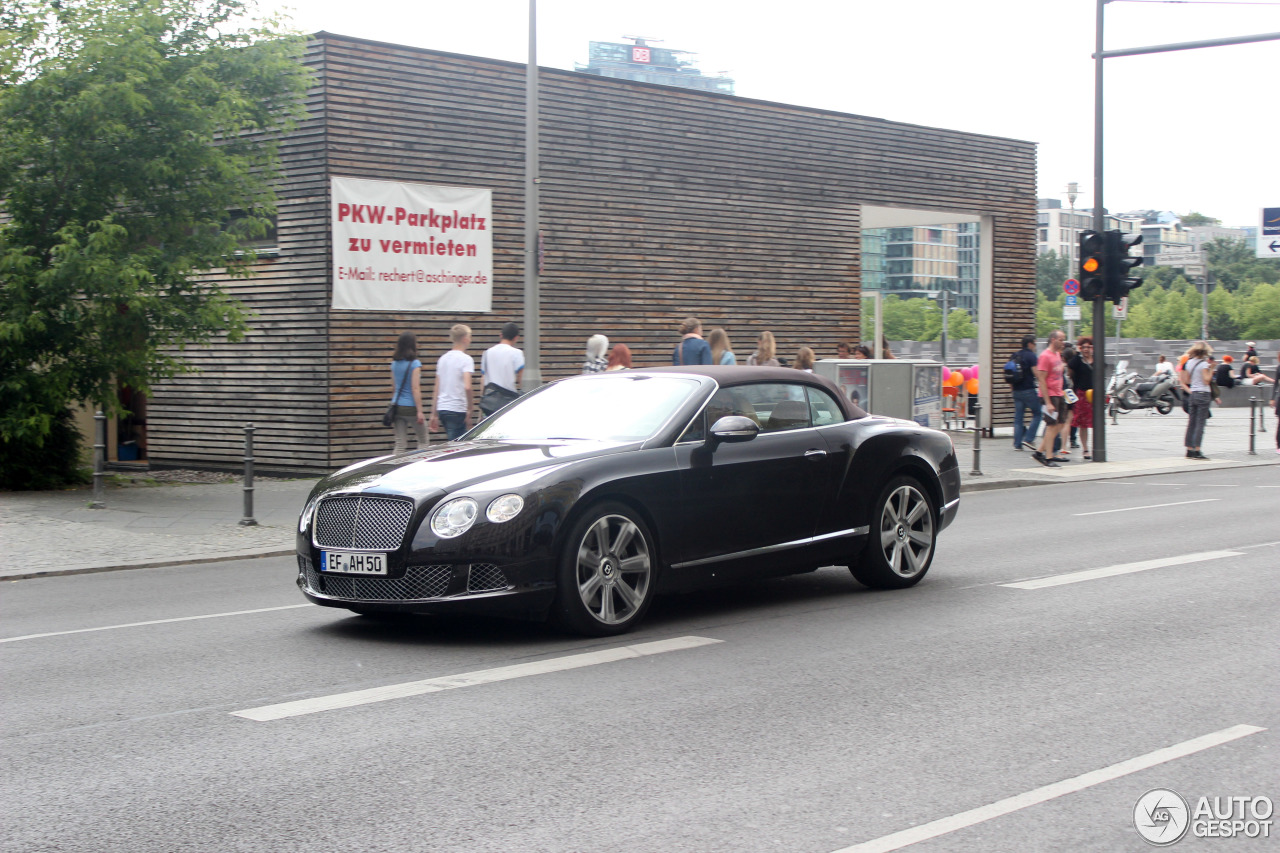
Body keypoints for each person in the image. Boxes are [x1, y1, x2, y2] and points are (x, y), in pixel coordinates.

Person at [428, 324, 475, 441]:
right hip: (457, 408)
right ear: (464, 339)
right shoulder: (466, 359)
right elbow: (468, 387)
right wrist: (470, 408)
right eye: (469, 336)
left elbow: (437, 388)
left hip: (443, 408)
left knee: (454, 442)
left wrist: (433, 414)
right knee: (458, 446)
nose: (470, 339)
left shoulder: (443, 359)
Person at [1032, 330, 1068, 468]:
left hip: (1059, 394)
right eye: (1061, 339)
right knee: (1051, 425)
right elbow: (1041, 380)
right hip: (1050, 395)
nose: (1063, 343)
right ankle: (1048, 457)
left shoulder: (1057, 355)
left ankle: (1039, 452)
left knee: (1060, 424)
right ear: (1053, 339)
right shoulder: (1045, 356)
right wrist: (1047, 402)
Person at [389, 331, 427, 454]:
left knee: (400, 443)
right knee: (423, 441)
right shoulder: (415, 364)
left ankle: (394, 468)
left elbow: (394, 387)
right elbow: (415, 388)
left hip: (396, 406)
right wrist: (420, 411)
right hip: (410, 407)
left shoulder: (394, 363)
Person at [1179, 341, 1213, 460]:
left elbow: (1187, 380)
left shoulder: (1189, 363)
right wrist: (1212, 369)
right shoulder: (1204, 364)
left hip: (1193, 394)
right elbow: (1207, 381)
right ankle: (1197, 450)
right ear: (1205, 352)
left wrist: (1192, 390)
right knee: (1200, 423)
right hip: (1203, 394)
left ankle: (1189, 449)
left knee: (1191, 423)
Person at [479, 322, 523, 415]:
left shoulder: (487, 353)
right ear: (516, 338)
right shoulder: (517, 353)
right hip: (508, 403)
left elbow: (483, 379)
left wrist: (482, 404)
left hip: (489, 402)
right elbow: (521, 380)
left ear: (501, 335)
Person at [1010, 334, 1041, 452]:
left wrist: (1012, 388)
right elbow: (1037, 374)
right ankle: (1028, 439)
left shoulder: (1015, 355)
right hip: (1028, 389)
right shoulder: (1031, 356)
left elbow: (1010, 374)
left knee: (1018, 417)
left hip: (1016, 390)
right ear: (1030, 344)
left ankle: (1017, 444)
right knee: (1038, 413)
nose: (1035, 346)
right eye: (1034, 343)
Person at [1067, 337, 1095, 460]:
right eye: (1083, 347)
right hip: (1082, 394)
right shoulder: (1077, 361)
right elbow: (1070, 373)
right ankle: (1085, 448)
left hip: (1095, 395)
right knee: (1083, 424)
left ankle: (1096, 446)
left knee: (1096, 423)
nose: (1086, 350)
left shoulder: (1097, 359)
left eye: (1088, 347)